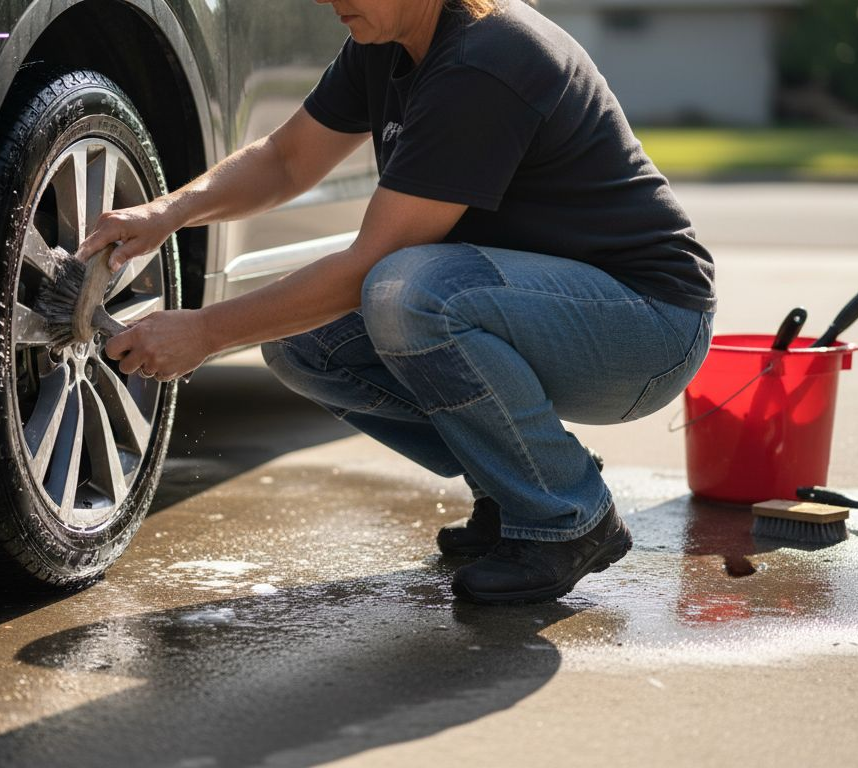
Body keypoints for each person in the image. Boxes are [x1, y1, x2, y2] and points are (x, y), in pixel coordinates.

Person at [74, 0, 716, 604]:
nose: (327, 1)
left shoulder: (485, 58)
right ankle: (513, 481)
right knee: (301, 342)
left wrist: (208, 332)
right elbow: (285, 160)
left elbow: (367, 268)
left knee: (409, 292)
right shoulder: (388, 42)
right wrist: (165, 213)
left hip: (645, 327)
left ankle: (564, 516)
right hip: (547, 310)